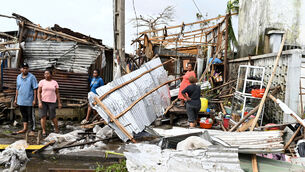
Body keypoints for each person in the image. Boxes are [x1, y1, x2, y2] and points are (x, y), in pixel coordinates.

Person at [13, 62, 38, 136]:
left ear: (28, 69)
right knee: (24, 115)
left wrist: (34, 99)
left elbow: (35, 89)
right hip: (21, 100)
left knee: (31, 116)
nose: (25, 70)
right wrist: (15, 99)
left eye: (26, 68)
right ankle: (25, 128)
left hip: (29, 101)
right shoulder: (18, 77)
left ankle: (32, 129)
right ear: (21, 69)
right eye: (23, 68)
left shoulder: (32, 77)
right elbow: (17, 89)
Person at [37, 70, 62, 136]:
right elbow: (39, 92)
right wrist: (39, 102)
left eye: (47, 74)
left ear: (50, 75)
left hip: (52, 101)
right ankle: (44, 131)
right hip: (43, 101)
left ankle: (56, 129)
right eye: (45, 74)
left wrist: (59, 102)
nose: (46, 75)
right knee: (43, 116)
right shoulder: (41, 82)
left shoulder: (55, 82)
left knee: (53, 116)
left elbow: (57, 93)